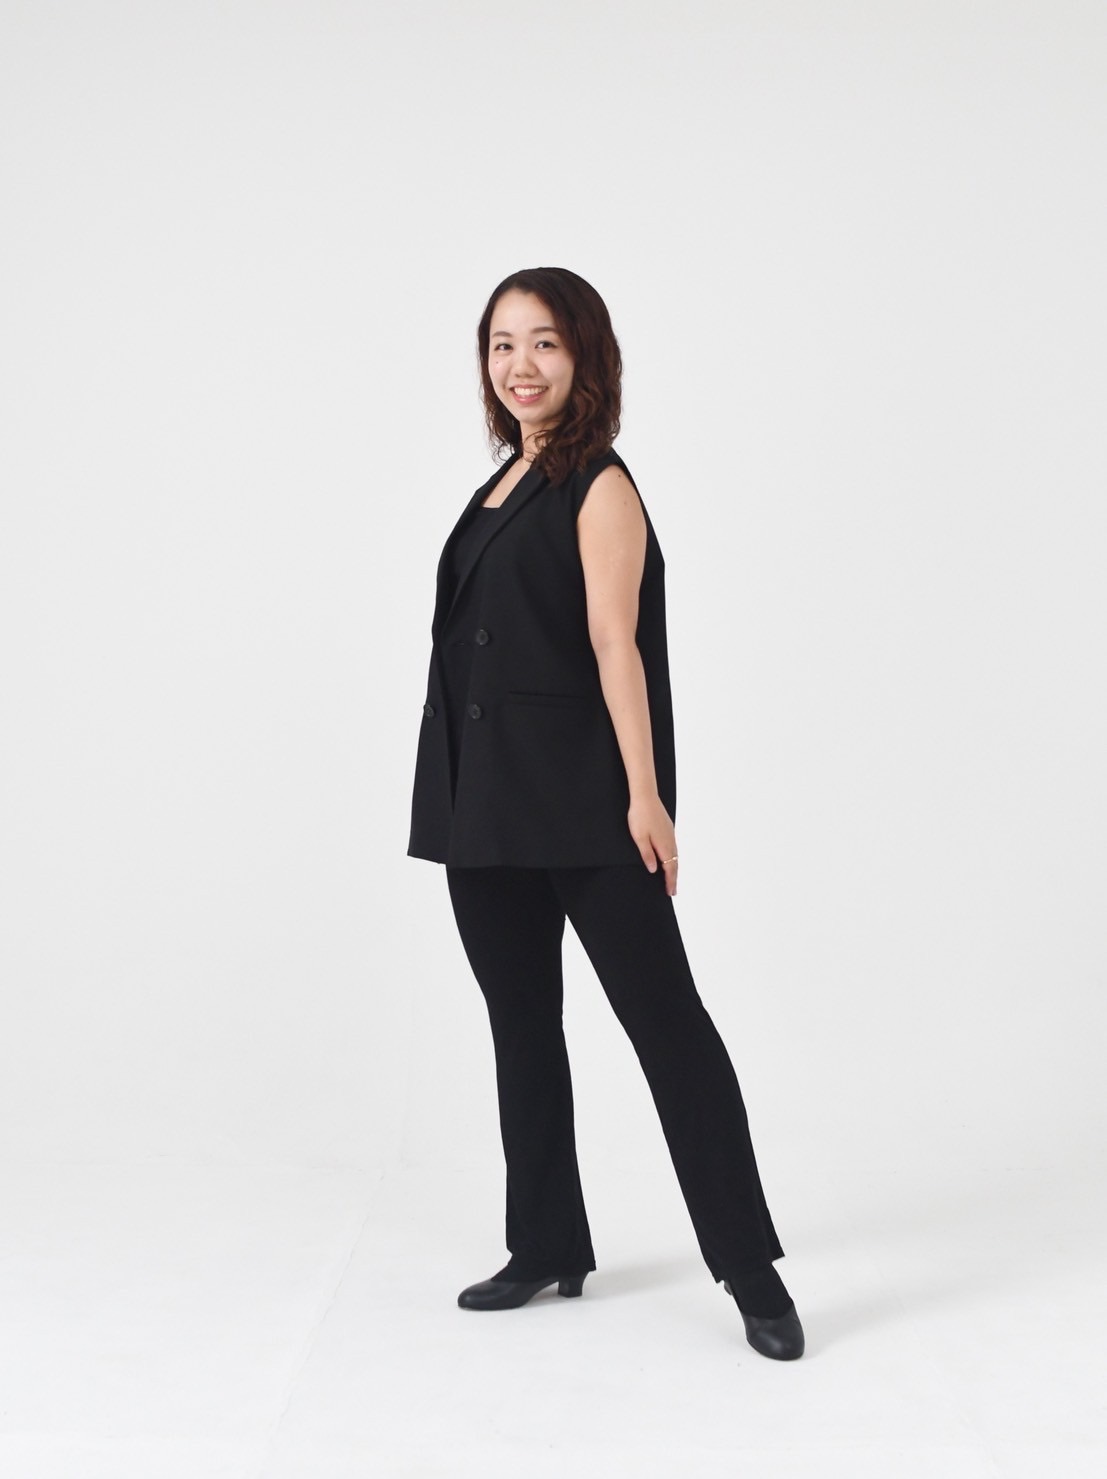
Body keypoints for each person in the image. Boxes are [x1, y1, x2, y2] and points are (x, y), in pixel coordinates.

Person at [406, 267, 805, 1361]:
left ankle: (749, 1268)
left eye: (543, 342)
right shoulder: (503, 482)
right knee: (521, 1028)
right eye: (501, 344)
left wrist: (646, 795)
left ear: (584, 354)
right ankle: (545, 1243)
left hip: (584, 803)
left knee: (668, 1027)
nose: (520, 364)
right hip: (483, 805)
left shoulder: (601, 485)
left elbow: (614, 644)